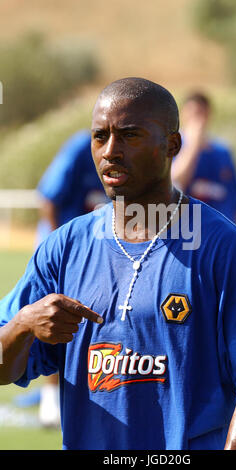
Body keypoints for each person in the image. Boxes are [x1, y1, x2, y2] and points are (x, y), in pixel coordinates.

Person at [0, 77, 236, 450]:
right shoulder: (64, 247)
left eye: (129, 135)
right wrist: (24, 324)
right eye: (100, 136)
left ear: (172, 145)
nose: (110, 151)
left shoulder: (224, 248)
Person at [17, 130, 107, 427]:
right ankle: (50, 401)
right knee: (56, 323)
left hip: (96, 253)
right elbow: (48, 198)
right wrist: (62, 249)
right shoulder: (78, 149)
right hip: (62, 254)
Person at [172, 92, 236, 232]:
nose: (197, 118)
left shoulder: (223, 151)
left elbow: (235, 200)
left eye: (201, 113)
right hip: (191, 230)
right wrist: (193, 145)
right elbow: (177, 179)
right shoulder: (174, 146)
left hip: (223, 230)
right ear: (183, 114)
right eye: (192, 113)